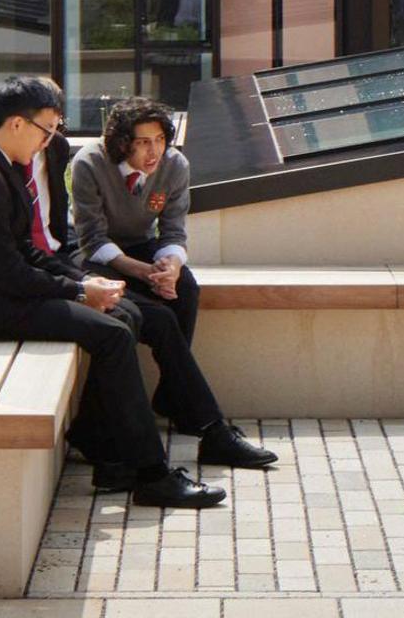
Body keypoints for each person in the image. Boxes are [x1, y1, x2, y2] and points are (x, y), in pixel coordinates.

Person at [0, 77, 226, 509]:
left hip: (4, 292)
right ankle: (151, 473)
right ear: (16, 124)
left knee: (128, 315)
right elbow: (11, 274)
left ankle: (105, 450)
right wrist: (79, 289)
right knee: (112, 332)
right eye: (47, 129)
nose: (51, 139)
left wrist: (85, 285)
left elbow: (26, 249)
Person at [65, 96, 276, 472]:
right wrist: (144, 273)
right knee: (156, 319)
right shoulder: (90, 163)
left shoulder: (175, 165)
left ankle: (172, 398)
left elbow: (174, 231)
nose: (154, 151)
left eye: (160, 139)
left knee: (186, 291)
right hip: (91, 255)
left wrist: (171, 267)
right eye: (143, 142)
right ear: (121, 143)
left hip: (142, 245)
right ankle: (209, 427)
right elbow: (92, 240)